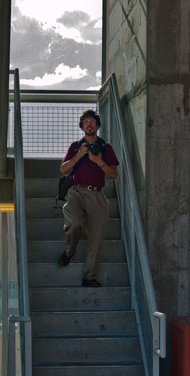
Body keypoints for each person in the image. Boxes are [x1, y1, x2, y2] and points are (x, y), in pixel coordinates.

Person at [57, 109, 119, 287]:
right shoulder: (75, 146)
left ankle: (89, 277)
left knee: (97, 238)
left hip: (97, 194)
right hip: (76, 191)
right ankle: (70, 251)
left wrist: (98, 161)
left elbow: (113, 173)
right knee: (74, 224)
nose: (89, 124)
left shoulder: (106, 147)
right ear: (82, 126)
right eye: (85, 122)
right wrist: (79, 156)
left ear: (98, 126)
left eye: (92, 121)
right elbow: (63, 169)